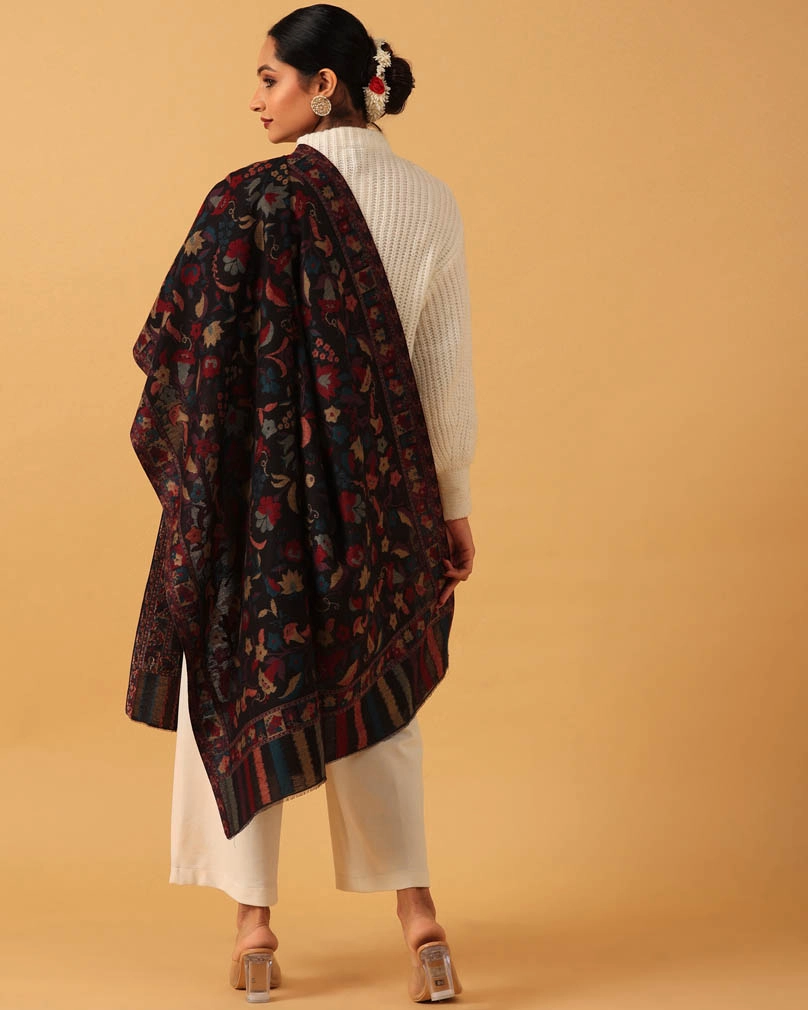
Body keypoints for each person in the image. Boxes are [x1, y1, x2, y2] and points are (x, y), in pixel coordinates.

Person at [131, 3, 477, 1002]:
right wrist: (452, 501)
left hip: (258, 499)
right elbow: (441, 370)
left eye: (269, 77)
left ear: (324, 86)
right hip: (383, 497)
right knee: (380, 693)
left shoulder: (245, 200)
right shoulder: (431, 201)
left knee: (240, 678)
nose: (255, 98)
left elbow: (188, 355)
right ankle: (422, 926)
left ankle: (254, 932)